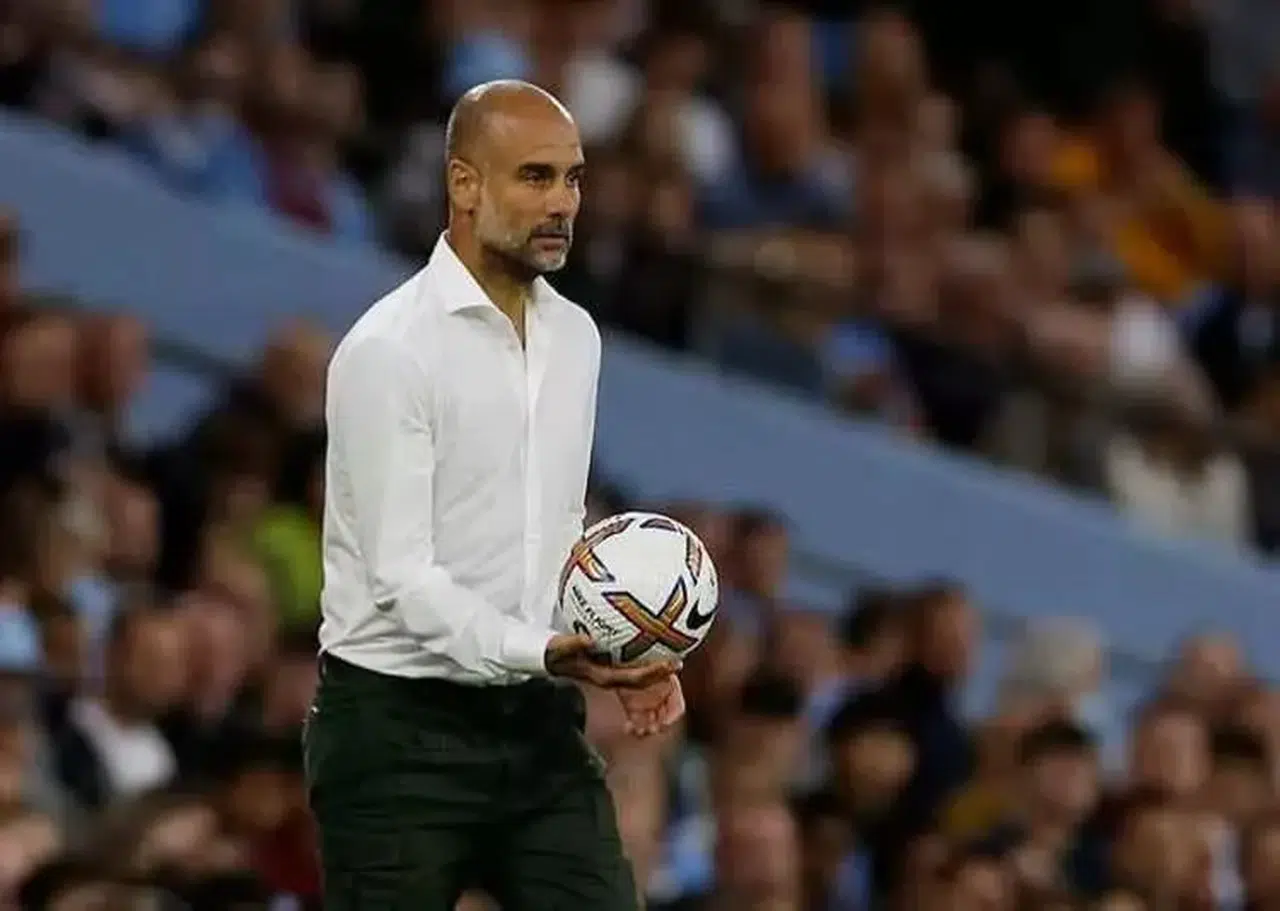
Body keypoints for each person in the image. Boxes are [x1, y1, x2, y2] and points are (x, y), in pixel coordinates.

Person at [304, 80, 685, 910]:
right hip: (396, 734)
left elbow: (553, 532)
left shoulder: (576, 337)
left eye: (573, 179)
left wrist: (623, 648)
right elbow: (401, 578)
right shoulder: (388, 352)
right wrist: (543, 650)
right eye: (535, 177)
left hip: (537, 725)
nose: (563, 204)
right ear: (464, 184)